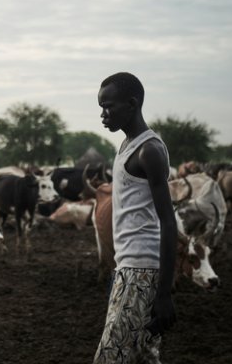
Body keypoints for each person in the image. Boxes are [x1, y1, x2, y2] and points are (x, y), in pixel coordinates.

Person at [94, 72, 177, 364]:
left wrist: (165, 293)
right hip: (128, 268)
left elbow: (168, 222)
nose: (103, 114)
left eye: (108, 106)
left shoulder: (149, 150)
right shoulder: (128, 145)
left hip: (140, 272)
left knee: (109, 358)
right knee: (144, 357)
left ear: (132, 104)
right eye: (100, 107)